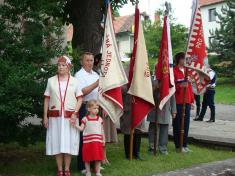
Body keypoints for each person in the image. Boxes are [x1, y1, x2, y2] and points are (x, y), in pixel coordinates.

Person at [43, 56, 83, 176]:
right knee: (57, 141)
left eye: (63, 65)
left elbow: (80, 99)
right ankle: (60, 169)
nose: (60, 67)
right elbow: (46, 99)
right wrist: (45, 116)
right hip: (55, 117)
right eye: (59, 65)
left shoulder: (75, 81)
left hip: (70, 117)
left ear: (68, 67)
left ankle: (67, 169)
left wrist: (75, 113)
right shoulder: (51, 80)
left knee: (69, 142)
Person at [74, 52, 99, 173]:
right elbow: (82, 92)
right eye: (87, 60)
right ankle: (82, 165)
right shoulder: (79, 75)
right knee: (84, 137)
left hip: (95, 108)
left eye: (92, 60)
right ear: (82, 62)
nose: (90, 63)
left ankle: (94, 164)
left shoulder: (95, 74)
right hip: (84, 107)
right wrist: (97, 83)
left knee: (95, 137)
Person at [70, 100, 104, 176]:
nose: (97, 110)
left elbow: (102, 130)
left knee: (98, 158)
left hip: (97, 141)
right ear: (89, 109)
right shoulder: (85, 119)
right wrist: (75, 125)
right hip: (87, 142)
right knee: (87, 158)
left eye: (97, 108)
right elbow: (81, 129)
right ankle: (88, 172)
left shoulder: (100, 119)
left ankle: (98, 172)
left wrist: (103, 139)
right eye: (94, 108)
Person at [120, 65, 145, 160]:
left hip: (139, 106)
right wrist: (130, 87)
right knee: (128, 130)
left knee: (138, 130)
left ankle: (136, 153)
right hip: (128, 106)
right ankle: (128, 154)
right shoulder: (124, 71)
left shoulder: (142, 68)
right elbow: (121, 89)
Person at [147, 78, 177, 155]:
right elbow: (147, 93)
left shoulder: (169, 82)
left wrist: (173, 110)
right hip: (154, 109)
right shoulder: (151, 80)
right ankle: (152, 147)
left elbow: (172, 97)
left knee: (164, 129)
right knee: (153, 129)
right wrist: (155, 88)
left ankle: (163, 148)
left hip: (165, 109)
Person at [173, 52, 194, 153]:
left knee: (186, 124)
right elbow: (171, 88)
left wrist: (192, 100)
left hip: (187, 101)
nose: (186, 60)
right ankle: (178, 145)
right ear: (179, 59)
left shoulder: (187, 71)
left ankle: (185, 144)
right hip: (178, 102)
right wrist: (180, 86)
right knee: (178, 124)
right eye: (184, 59)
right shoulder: (173, 71)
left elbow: (190, 88)